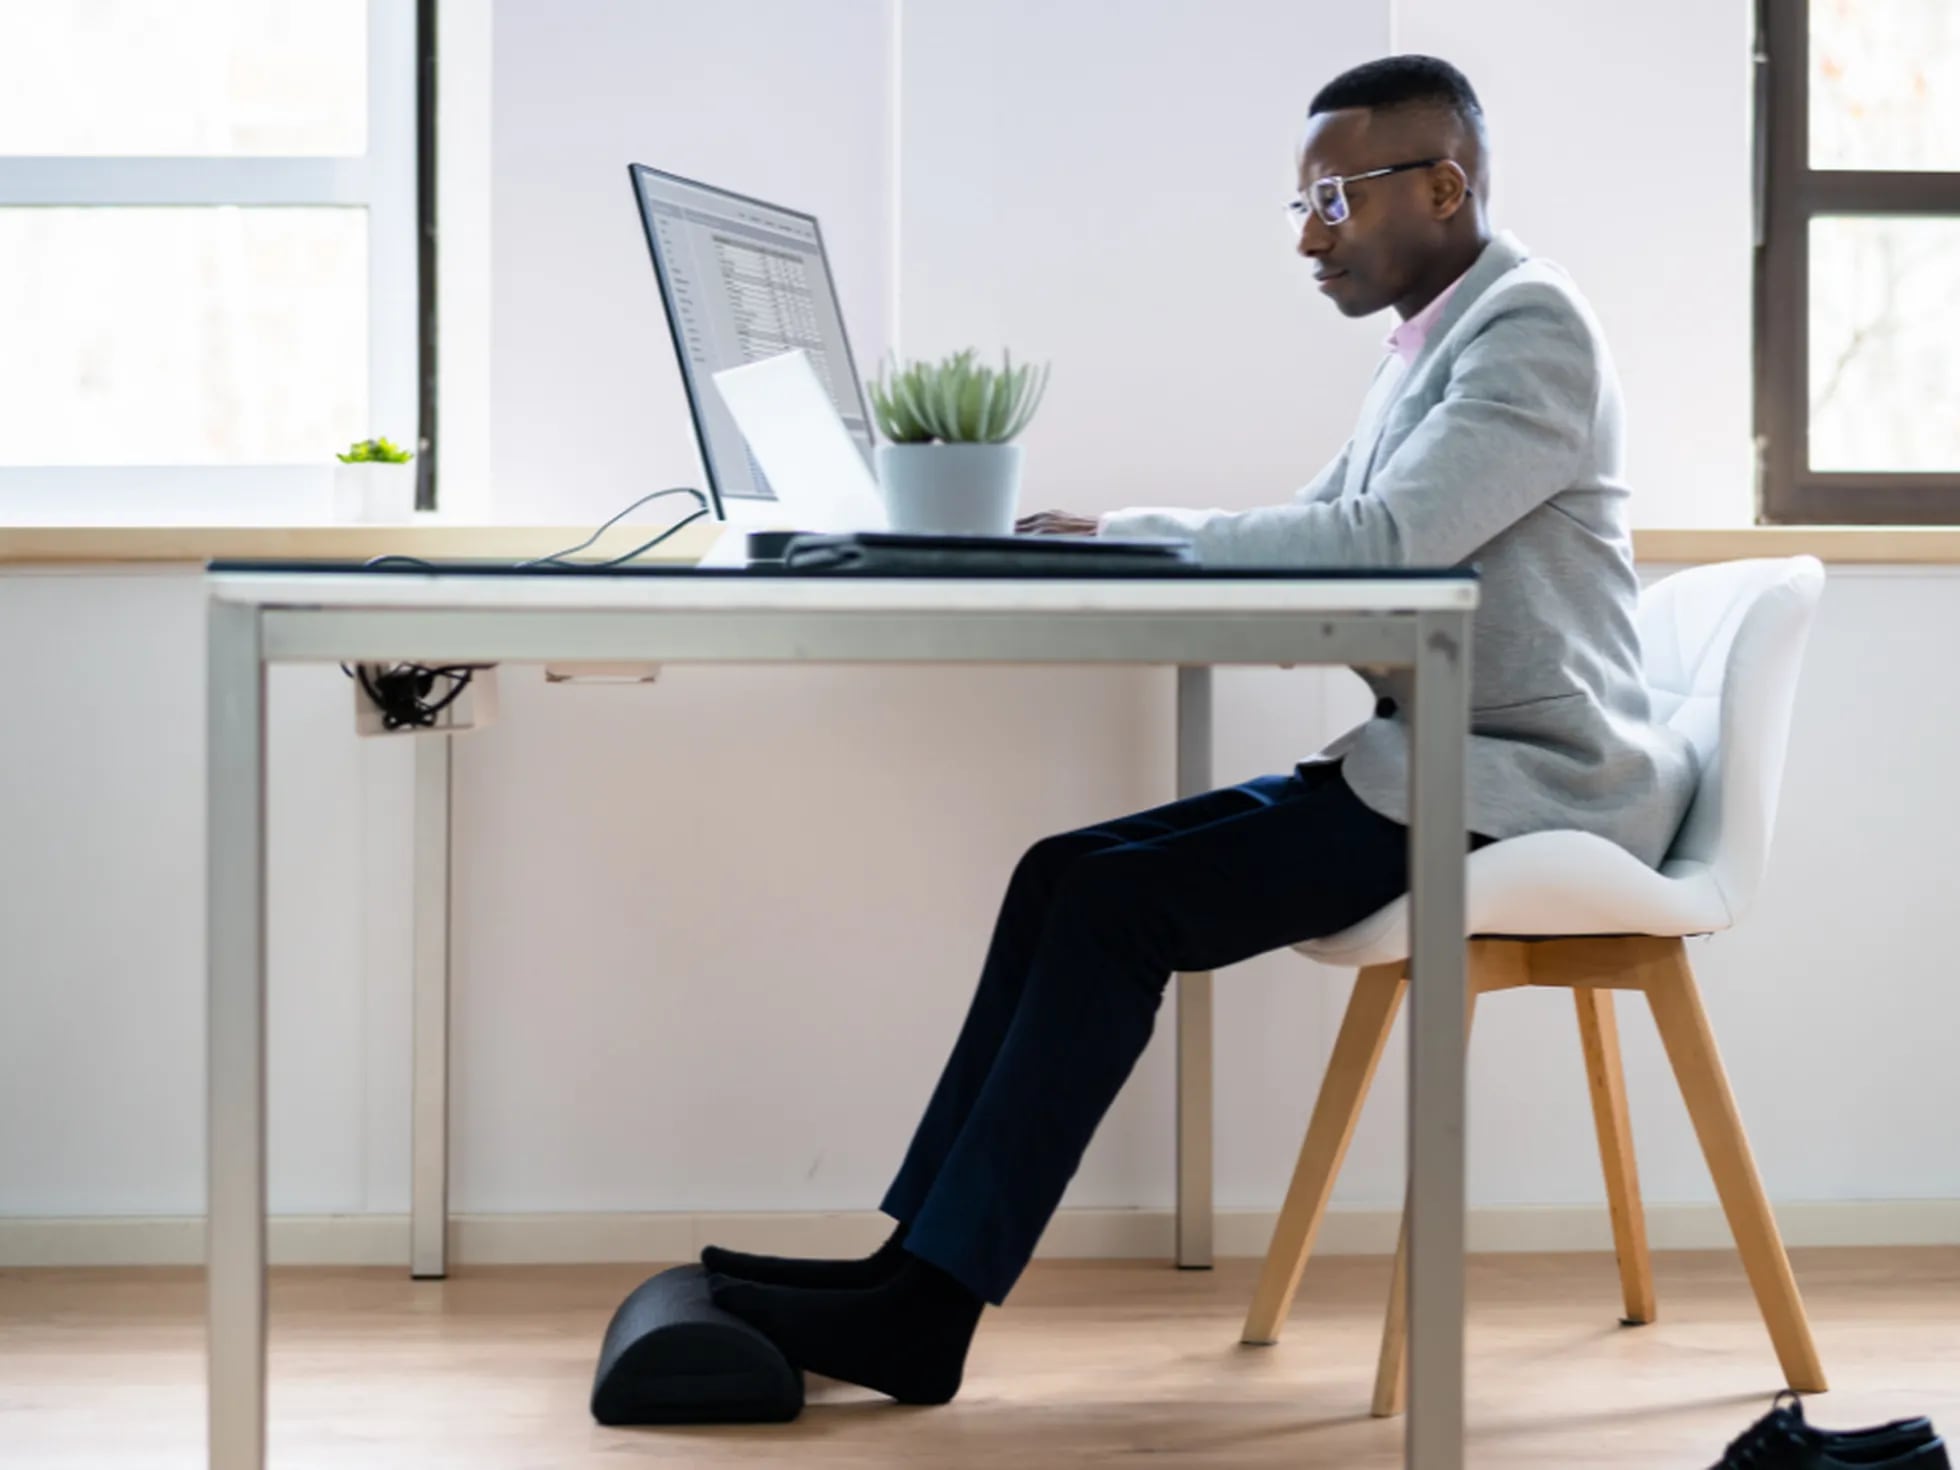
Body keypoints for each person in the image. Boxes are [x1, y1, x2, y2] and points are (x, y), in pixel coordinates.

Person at [699, 53, 1696, 1407]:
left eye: (1335, 197)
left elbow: (1384, 544)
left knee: (1115, 906)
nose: (1308, 234)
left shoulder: (1532, 333)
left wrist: (1126, 535)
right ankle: (907, 1268)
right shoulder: (1432, 346)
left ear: (1448, 184)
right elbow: (1330, 531)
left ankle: (924, 1312)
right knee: (1066, 873)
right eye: (1303, 203)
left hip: (1523, 787)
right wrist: (1115, 542)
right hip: (1441, 758)